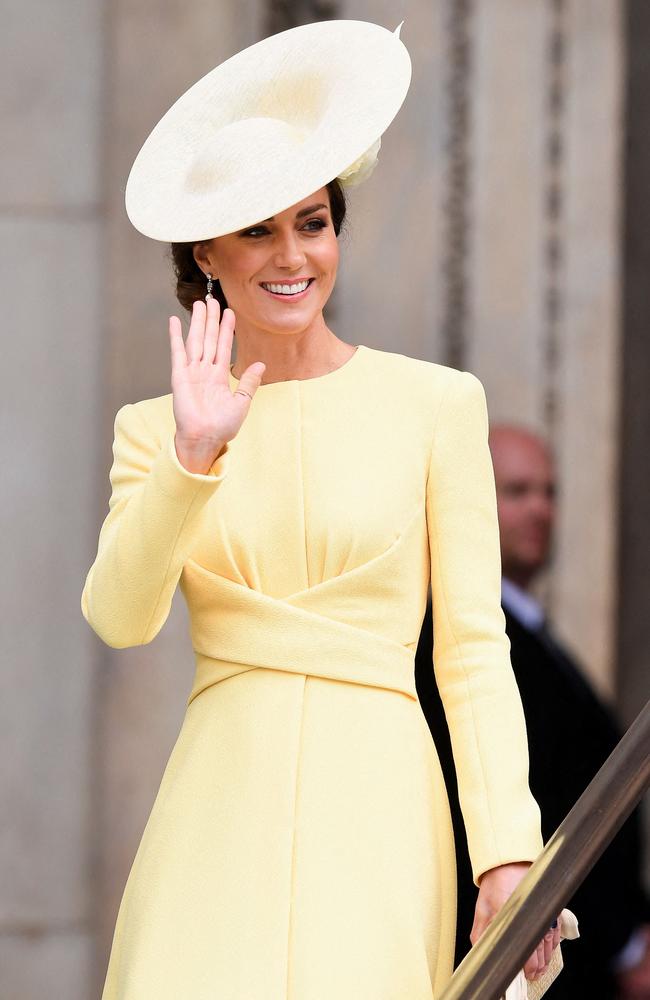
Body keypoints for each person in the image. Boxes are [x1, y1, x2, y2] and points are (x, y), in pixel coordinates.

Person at [82, 21, 557, 999]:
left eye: (312, 221)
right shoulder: (153, 428)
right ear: (206, 252)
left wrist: (505, 849)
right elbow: (119, 618)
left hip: (382, 808)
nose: (290, 255)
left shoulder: (436, 405)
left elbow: (470, 648)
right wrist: (192, 454)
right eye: (257, 228)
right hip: (215, 810)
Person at [416, 423, 650, 997]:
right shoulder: (452, 639)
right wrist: (625, 943)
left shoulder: (526, 626)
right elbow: (543, 794)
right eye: (517, 492)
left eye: (550, 492)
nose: (541, 510)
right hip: (526, 951)